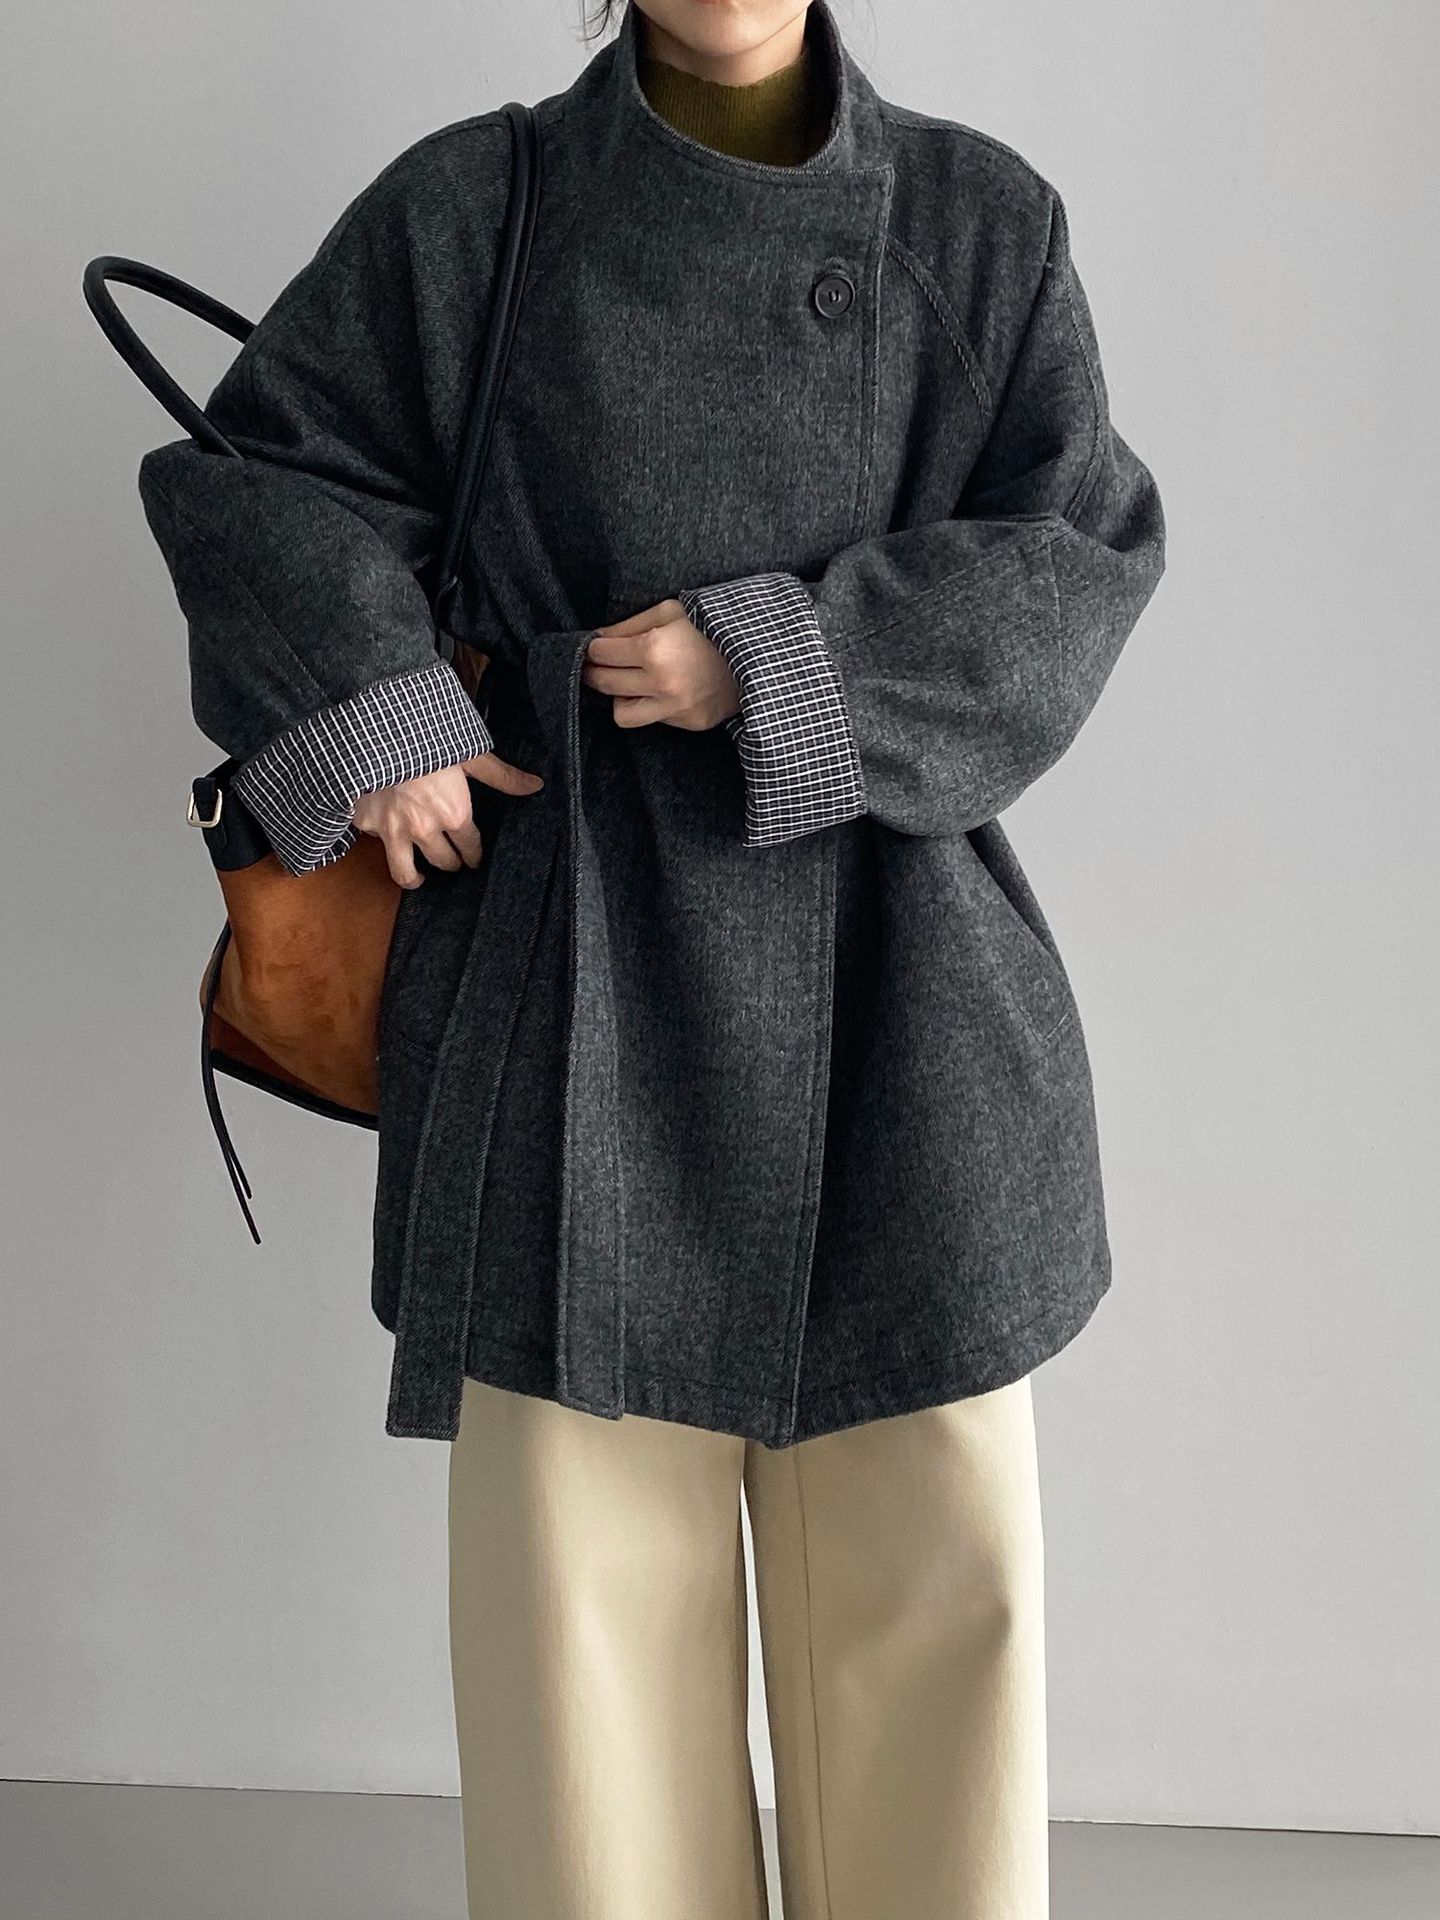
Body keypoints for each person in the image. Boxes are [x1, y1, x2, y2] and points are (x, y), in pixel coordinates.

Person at [136, 1, 1166, 1913]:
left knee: (937, 1647)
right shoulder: (480, 205)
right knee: (582, 1689)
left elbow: (1077, 557)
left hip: (904, 1022)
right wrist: (381, 713)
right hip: (565, 996)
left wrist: (778, 656)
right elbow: (256, 478)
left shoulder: (976, 223)